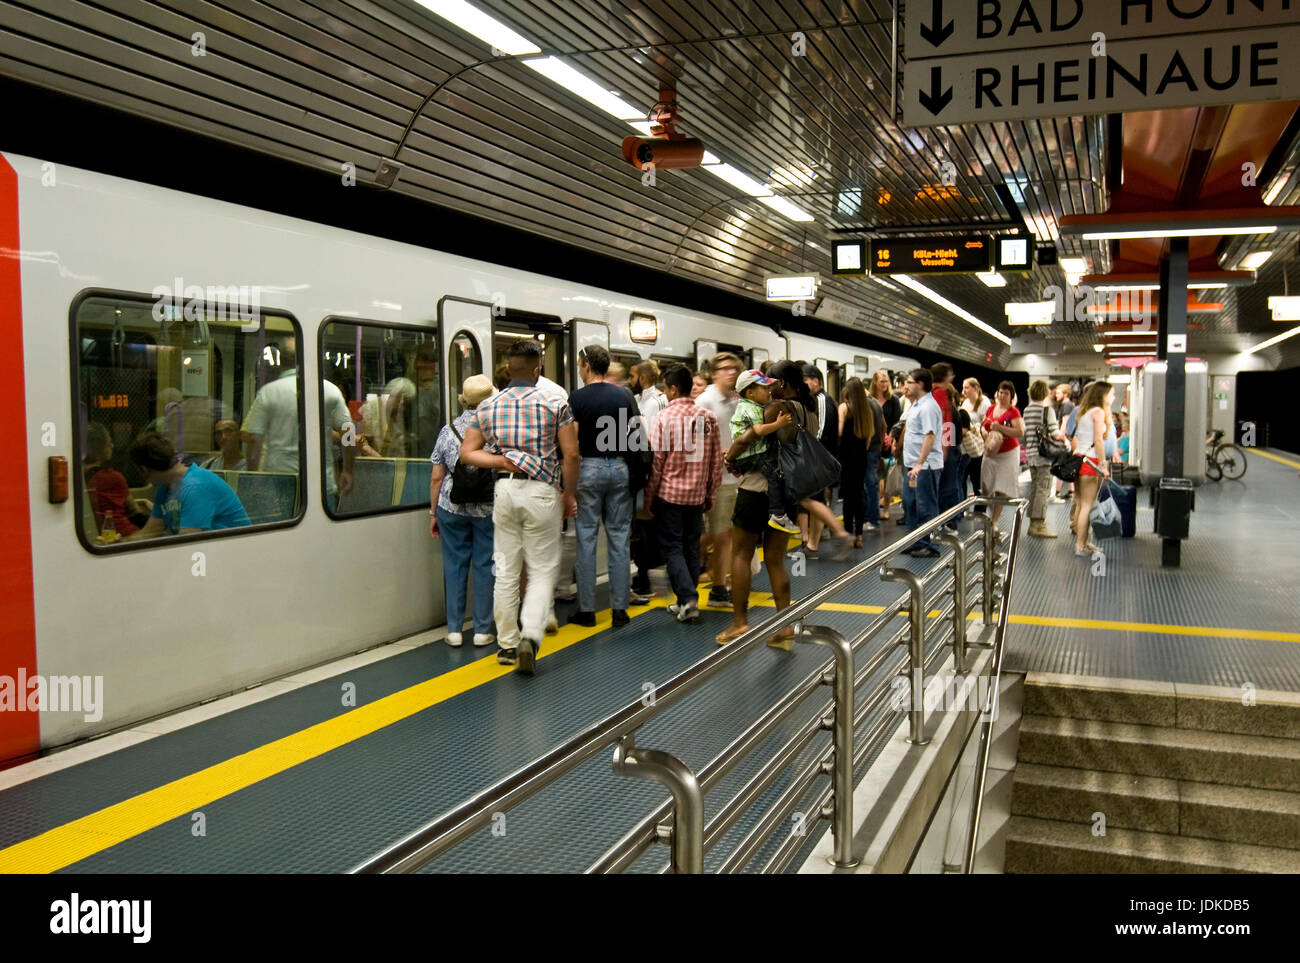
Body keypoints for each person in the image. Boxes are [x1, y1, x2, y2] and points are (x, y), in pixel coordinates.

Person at [459, 340, 579, 675]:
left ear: (508, 369)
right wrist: (569, 495)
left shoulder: (489, 406)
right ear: (538, 368)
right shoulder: (555, 402)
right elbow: (570, 454)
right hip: (542, 492)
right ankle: (530, 634)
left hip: (504, 492)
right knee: (541, 569)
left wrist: (501, 460)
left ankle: (507, 645)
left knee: (506, 569)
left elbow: (468, 453)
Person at [717, 360, 813, 650]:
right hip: (788, 492)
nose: (769, 391)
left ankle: (739, 623)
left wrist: (730, 457)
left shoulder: (776, 409)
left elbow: (748, 437)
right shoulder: (810, 409)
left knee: (741, 553)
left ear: (782, 383)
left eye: (772, 383)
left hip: (757, 488)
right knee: (775, 559)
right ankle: (784, 626)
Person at [567, 344, 639, 628]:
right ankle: (620, 610)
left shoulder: (576, 398)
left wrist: (568, 486)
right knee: (619, 538)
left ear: (586, 365)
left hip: (590, 468)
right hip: (619, 467)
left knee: (586, 538)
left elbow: (571, 443)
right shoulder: (624, 395)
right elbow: (637, 436)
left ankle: (587, 611)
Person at [645, 365, 723, 623]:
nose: (665, 394)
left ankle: (688, 599)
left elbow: (657, 461)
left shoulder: (664, 417)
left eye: (666, 389)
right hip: (697, 497)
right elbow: (715, 461)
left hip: (670, 495)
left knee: (673, 548)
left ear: (673, 388)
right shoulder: (708, 417)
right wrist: (710, 493)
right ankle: (685, 602)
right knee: (691, 548)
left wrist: (649, 498)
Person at [430, 375, 498, 649]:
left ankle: (455, 631)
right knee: (485, 566)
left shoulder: (448, 431)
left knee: (455, 566)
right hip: (487, 508)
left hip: (451, 506)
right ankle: (482, 631)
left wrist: (433, 513)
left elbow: (437, 476)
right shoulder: (496, 430)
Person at [121, 433, 250, 539]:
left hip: (232, 554)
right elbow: (152, 531)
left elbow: (187, 543)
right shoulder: (165, 486)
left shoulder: (195, 487)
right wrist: (118, 543)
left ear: (144, 470)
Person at [694, 352, 743, 608]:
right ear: (714, 374)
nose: (730, 372)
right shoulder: (705, 401)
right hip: (717, 480)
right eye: (724, 369)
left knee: (727, 534)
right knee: (721, 535)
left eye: (733, 368)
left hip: (737, 478)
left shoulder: (736, 399)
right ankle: (717, 588)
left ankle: (718, 579)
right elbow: (698, 443)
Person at [724, 369, 798, 534]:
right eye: (764, 388)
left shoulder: (754, 405)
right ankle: (778, 514)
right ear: (750, 392)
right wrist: (779, 424)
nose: (769, 391)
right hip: (750, 456)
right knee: (773, 474)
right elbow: (757, 430)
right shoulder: (749, 408)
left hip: (751, 454)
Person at [900, 369, 943, 558]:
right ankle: (915, 541)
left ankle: (929, 545)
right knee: (910, 503)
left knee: (926, 506)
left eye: (909, 382)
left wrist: (919, 463)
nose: (905, 386)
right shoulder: (916, 405)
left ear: (920, 384)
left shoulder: (928, 407)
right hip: (913, 466)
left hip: (925, 467)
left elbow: (930, 436)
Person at [1070, 381, 1114, 557]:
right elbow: (1098, 440)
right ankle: (1081, 544)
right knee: (1088, 505)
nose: (1113, 397)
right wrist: (1103, 465)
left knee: (1081, 503)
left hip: (1080, 459)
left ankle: (1082, 542)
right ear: (1102, 395)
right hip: (1091, 461)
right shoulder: (1098, 412)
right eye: (1111, 394)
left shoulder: (1085, 412)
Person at [244, 338, 301, 471]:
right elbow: (347, 427)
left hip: (275, 471)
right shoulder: (327, 390)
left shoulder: (268, 394)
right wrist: (349, 444)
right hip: (314, 474)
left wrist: (252, 475)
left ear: (281, 362)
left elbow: (253, 438)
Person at [84, 422, 150, 538]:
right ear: (100, 447)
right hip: (122, 534)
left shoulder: (80, 476)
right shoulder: (113, 477)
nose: (112, 445)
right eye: (109, 442)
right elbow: (135, 513)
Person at [800, 365, 839, 553]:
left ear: (816, 381)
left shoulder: (822, 400)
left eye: (805, 381)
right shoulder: (815, 400)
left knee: (813, 499)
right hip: (818, 458)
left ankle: (815, 542)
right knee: (815, 499)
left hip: (820, 459)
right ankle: (814, 541)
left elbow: (820, 432)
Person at [836, 377, 878, 548]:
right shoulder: (867, 411)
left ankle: (847, 532)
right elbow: (868, 439)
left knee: (848, 496)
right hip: (861, 457)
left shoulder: (844, 408)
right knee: (859, 493)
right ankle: (859, 536)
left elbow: (839, 432)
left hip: (846, 457)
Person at [1022, 380, 1063, 538]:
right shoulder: (1047, 411)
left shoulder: (1026, 410)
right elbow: (1054, 432)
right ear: (1045, 393)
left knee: (1035, 488)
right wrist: (1063, 439)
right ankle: (1038, 524)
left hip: (1031, 454)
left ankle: (1033, 521)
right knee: (1043, 489)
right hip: (1044, 455)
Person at [980, 381, 1024, 528]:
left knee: (1001, 488)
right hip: (991, 451)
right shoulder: (991, 408)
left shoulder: (1013, 412)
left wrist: (1000, 428)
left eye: (1006, 393)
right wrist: (985, 435)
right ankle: (992, 511)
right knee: (986, 486)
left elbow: (1019, 432)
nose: (1002, 395)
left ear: (1011, 396)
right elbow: (983, 426)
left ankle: (995, 519)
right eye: (1001, 392)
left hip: (1008, 453)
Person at [931, 363, 963, 515]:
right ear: (944, 376)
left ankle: (943, 520)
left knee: (940, 487)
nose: (952, 377)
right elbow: (945, 423)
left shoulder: (931, 393)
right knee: (947, 487)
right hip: (943, 447)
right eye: (950, 374)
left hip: (936, 447)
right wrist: (944, 449)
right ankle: (949, 522)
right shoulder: (940, 394)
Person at [870, 370, 899, 521]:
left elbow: (897, 421)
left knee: (887, 475)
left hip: (888, 442)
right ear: (875, 382)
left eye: (886, 381)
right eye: (882, 381)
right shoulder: (870, 399)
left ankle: (886, 508)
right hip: (873, 442)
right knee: (873, 477)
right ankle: (874, 508)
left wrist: (891, 438)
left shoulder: (893, 400)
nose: (885, 385)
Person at [961, 378, 991, 502]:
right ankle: (960, 508)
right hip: (967, 446)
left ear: (975, 388)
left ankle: (980, 509)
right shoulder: (965, 403)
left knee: (977, 479)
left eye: (967, 387)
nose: (964, 391)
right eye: (963, 388)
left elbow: (987, 424)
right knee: (962, 479)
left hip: (979, 445)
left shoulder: (984, 403)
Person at [1050, 383, 1076, 502]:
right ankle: (1071, 491)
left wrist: (1061, 435)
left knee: (1060, 464)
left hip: (1065, 439)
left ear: (1066, 394)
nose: (1056, 395)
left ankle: (1057, 491)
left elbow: (1065, 422)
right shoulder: (1070, 405)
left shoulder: (1066, 406)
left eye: (1059, 393)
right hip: (1069, 438)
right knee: (1066, 463)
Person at [633, 360, 666, 431]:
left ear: (642, 378)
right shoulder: (635, 399)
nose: (629, 381)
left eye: (632, 376)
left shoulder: (660, 401)